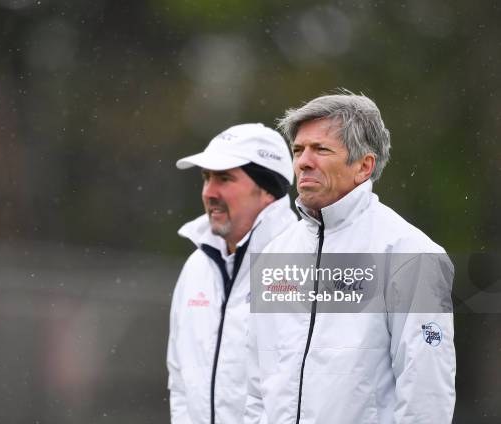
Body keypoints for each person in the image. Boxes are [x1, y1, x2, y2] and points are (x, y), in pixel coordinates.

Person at [246, 91, 456, 424]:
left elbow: (426, 391)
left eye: (321, 149)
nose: (303, 161)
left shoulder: (412, 253)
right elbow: (256, 388)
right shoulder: (274, 255)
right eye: (298, 150)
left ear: (363, 167)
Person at [167, 123, 298, 424]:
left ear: (267, 190)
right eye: (206, 178)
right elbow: (179, 379)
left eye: (224, 178)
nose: (209, 192)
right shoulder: (195, 267)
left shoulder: (302, 264)